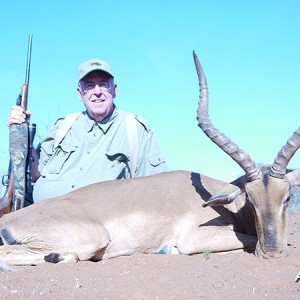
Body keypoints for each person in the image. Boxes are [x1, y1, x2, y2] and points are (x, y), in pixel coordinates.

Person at [8, 58, 168, 203]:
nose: (97, 91)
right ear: (80, 94)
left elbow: (156, 190)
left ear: (114, 90)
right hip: (39, 218)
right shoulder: (63, 126)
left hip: (98, 229)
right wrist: (22, 135)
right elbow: (36, 173)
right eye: (89, 86)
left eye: (103, 84)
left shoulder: (135, 128)